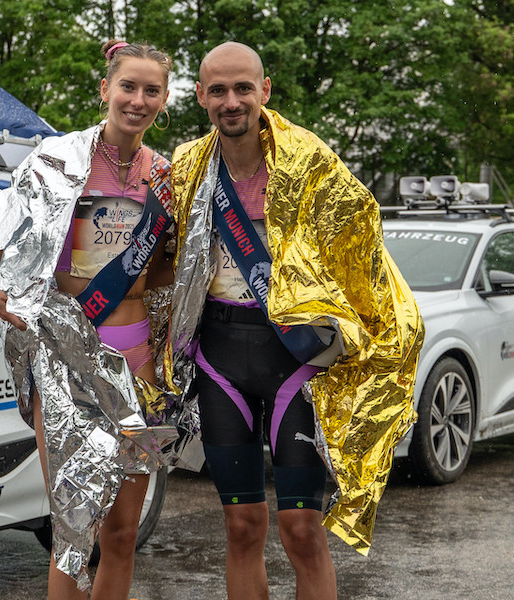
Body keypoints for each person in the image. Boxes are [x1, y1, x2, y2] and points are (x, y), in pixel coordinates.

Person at [163, 42, 424, 599]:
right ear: (201, 96)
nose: (231, 102)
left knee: (302, 530)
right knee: (241, 525)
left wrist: (370, 337)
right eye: (218, 91)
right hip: (220, 358)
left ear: (265, 90)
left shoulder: (310, 160)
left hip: (296, 357)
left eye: (243, 88)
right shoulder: (187, 166)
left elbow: (362, 253)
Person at [0, 39, 174, 599]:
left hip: (137, 365)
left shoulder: (167, 176)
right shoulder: (58, 157)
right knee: (73, 528)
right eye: (128, 86)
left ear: (163, 100)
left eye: (151, 90)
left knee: (122, 534)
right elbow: (6, 216)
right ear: (106, 89)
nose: (137, 100)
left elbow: (167, 266)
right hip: (64, 359)